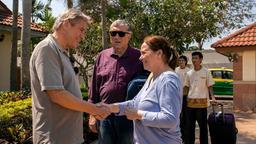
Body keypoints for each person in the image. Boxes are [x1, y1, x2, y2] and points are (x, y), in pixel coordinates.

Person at [29, 9, 110, 144]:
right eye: (81, 30)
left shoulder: (61, 52)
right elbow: (57, 94)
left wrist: (94, 107)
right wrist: (94, 109)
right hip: (54, 138)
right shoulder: (47, 49)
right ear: (66, 24)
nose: (83, 36)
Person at [107, 35, 182, 144]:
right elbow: (134, 103)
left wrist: (138, 115)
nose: (140, 57)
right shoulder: (152, 76)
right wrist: (110, 108)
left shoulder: (167, 80)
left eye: (144, 53)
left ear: (159, 53)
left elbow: (170, 119)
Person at [88, 19, 143, 144]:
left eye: (121, 34)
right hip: (104, 115)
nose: (116, 37)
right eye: (113, 33)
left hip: (128, 117)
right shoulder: (102, 56)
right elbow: (94, 87)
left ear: (129, 36)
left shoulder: (139, 57)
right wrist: (92, 115)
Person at [183, 51, 217, 144]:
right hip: (190, 103)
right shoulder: (189, 73)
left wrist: (213, 97)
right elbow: (186, 87)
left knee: (203, 127)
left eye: (196, 58)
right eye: (193, 58)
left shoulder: (206, 72)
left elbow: (210, 86)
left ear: (201, 60)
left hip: (202, 104)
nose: (194, 60)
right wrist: (181, 97)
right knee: (190, 126)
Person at [175, 55, 190, 142]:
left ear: (185, 62)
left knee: (185, 117)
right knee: (178, 116)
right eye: (179, 60)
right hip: (176, 96)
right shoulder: (176, 70)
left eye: (182, 60)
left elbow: (188, 85)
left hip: (185, 96)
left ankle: (185, 137)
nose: (181, 62)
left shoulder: (188, 71)